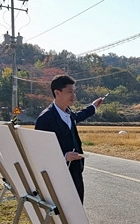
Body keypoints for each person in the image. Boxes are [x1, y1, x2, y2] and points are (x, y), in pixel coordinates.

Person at [35, 75, 104, 203]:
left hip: (76, 173)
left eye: (74, 91)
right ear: (57, 93)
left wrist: (93, 107)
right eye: (70, 92)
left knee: (77, 210)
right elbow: (39, 152)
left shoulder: (68, 113)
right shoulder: (45, 119)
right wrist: (64, 156)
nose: (74, 96)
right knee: (61, 214)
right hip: (57, 176)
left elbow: (78, 116)